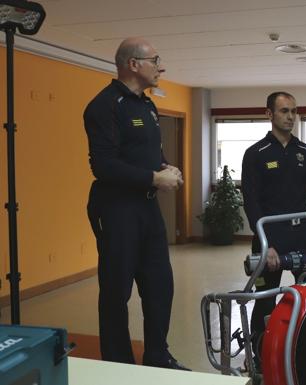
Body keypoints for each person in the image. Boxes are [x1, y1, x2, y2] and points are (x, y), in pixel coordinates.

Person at [84, 37, 189, 370]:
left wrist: (164, 167)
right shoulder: (103, 105)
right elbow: (104, 165)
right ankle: (117, 364)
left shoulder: (147, 105)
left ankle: (157, 355)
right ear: (132, 64)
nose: (161, 66)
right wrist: (154, 179)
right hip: (116, 209)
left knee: (160, 285)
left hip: (146, 208)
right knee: (116, 293)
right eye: (155, 59)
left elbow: (149, 154)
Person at [241, 91, 306, 369]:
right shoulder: (256, 154)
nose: (290, 117)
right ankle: (259, 357)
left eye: (293, 111)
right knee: (265, 301)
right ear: (269, 114)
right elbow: (250, 202)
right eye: (284, 111)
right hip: (270, 240)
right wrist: (267, 243)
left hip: (302, 238)